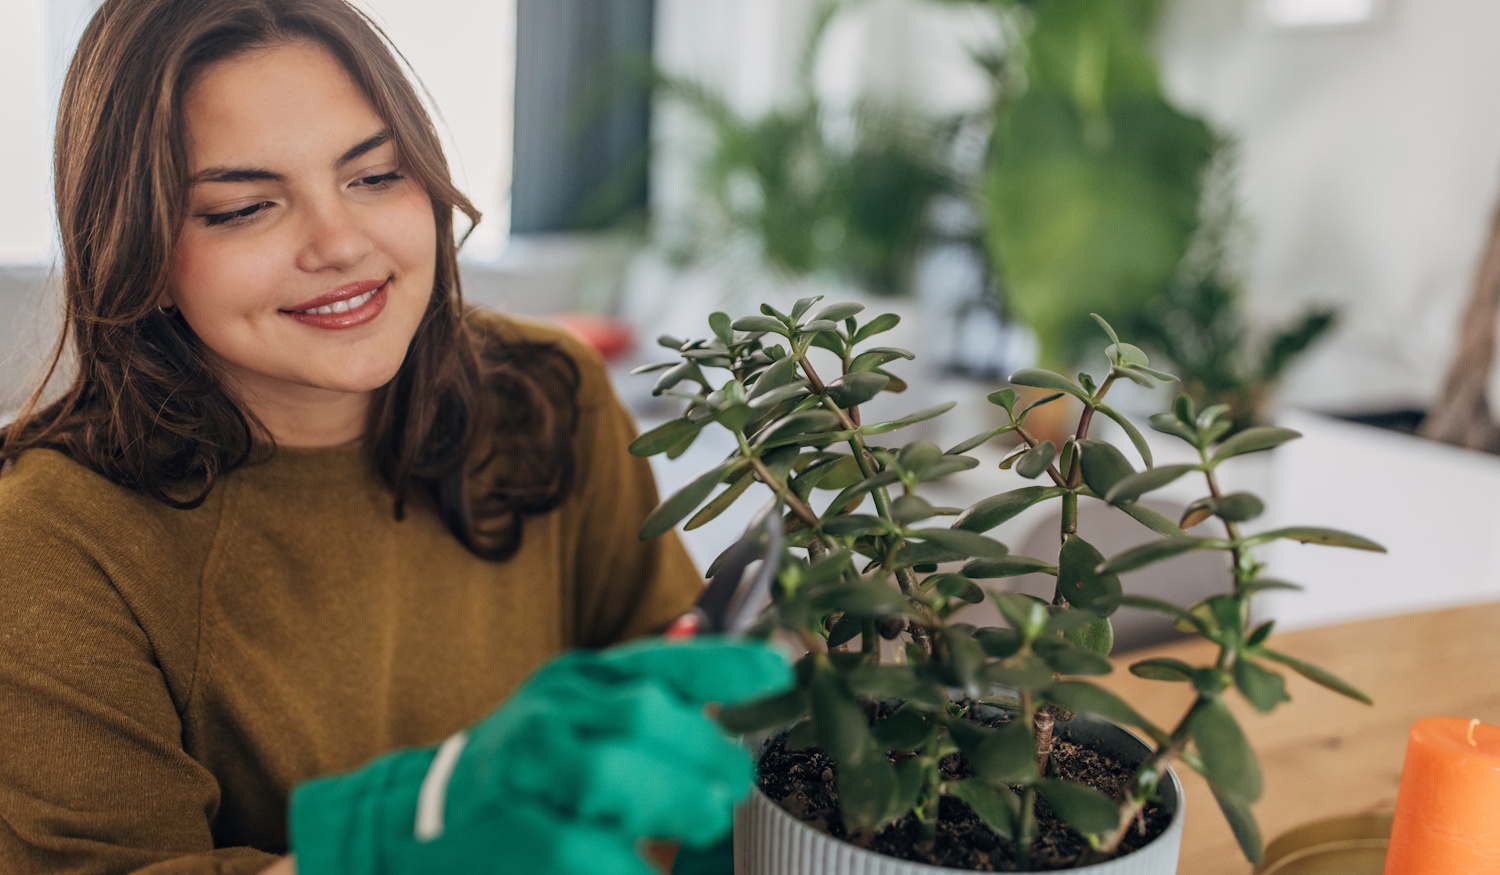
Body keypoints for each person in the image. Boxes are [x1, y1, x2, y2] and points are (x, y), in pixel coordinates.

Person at [0, 0, 790, 873]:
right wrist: (397, 843)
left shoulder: (545, 395)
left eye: (376, 176)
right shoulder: (48, 539)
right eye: (245, 207)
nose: (341, 243)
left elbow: (682, 710)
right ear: (135, 253)